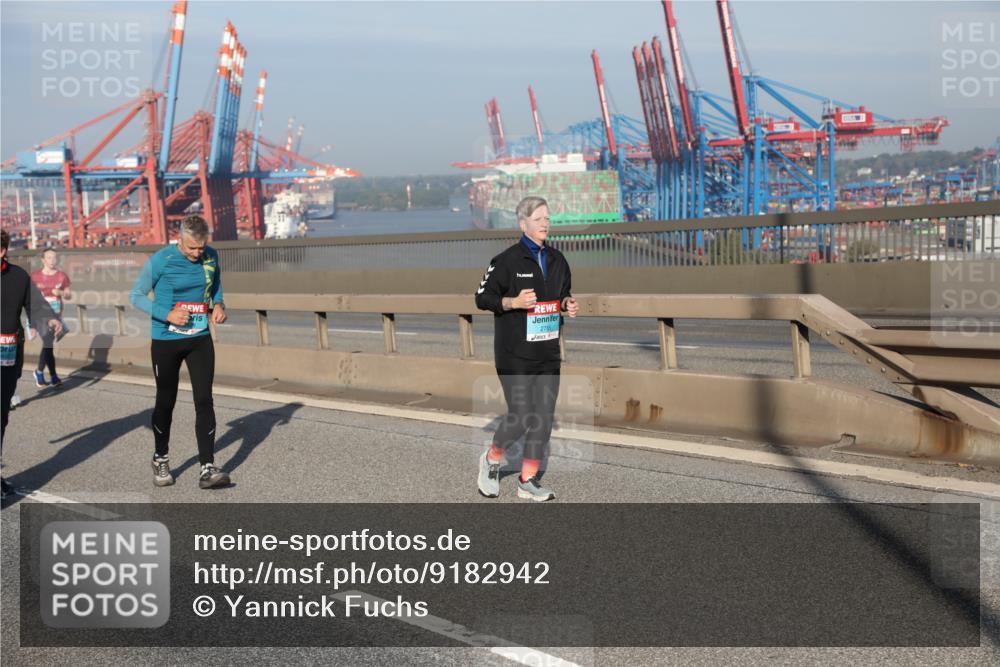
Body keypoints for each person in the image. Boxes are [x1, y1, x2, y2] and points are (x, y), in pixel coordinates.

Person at [474, 196, 578, 501]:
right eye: (538, 219)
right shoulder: (506, 261)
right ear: (523, 224)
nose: (545, 223)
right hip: (514, 353)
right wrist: (513, 302)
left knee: (543, 418)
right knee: (521, 416)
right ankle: (492, 459)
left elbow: (561, 294)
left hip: (547, 353)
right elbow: (482, 298)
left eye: (547, 218)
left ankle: (527, 480)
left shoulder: (558, 260)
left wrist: (566, 304)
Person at [129, 216, 230, 490]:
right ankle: (161, 457)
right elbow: (136, 296)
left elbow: (215, 283)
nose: (197, 253)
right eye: (191, 248)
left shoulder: (211, 256)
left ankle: (207, 467)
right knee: (166, 401)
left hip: (199, 338)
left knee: (204, 400)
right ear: (179, 240)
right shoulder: (161, 260)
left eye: (201, 247)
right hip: (166, 340)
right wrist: (168, 314)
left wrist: (218, 305)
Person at [1, 229, 62, 498]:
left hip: (8, 357)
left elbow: (35, 305)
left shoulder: (18, 277)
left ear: (2, 251)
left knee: (1, 416)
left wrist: (49, 318)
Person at [30, 247, 72, 387]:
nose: (52, 260)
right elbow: (29, 297)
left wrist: (60, 293)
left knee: (48, 344)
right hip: (40, 314)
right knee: (48, 342)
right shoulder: (34, 276)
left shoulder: (62, 276)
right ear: (43, 260)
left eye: (54, 257)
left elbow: (69, 294)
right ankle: (48, 375)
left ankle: (43, 373)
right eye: (49, 257)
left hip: (56, 314)